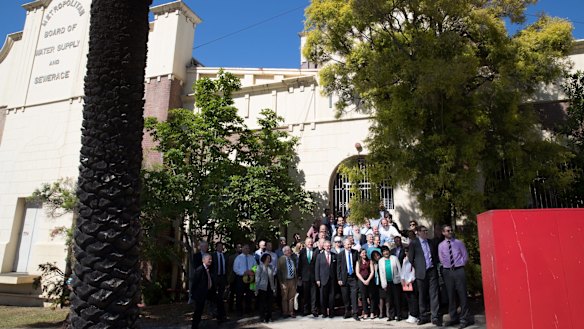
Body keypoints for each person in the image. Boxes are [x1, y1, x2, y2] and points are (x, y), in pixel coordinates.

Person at [438, 225, 474, 329]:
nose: (450, 232)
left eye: (451, 230)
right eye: (447, 231)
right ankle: (453, 317)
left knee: (462, 294)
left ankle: (464, 318)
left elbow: (465, 256)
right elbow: (441, 258)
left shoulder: (459, 243)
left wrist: (459, 264)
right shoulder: (441, 245)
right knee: (451, 295)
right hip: (448, 271)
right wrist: (448, 267)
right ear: (443, 233)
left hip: (459, 270)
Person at [408, 225, 441, 326]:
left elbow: (435, 256)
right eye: (423, 231)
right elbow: (410, 259)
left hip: (431, 271)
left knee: (434, 294)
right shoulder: (414, 243)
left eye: (426, 231)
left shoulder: (431, 242)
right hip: (421, 273)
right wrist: (418, 267)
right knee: (422, 295)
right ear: (418, 232)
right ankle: (423, 316)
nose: (426, 233)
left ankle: (435, 317)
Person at [190, 253, 217, 329]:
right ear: (203, 260)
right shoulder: (200, 270)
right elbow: (195, 283)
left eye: (211, 259)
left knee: (218, 301)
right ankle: (194, 326)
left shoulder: (209, 269)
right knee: (198, 311)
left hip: (209, 292)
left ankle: (220, 319)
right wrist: (193, 295)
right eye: (209, 259)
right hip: (200, 294)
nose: (211, 261)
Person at [337, 238, 360, 321]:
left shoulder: (355, 252)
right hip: (344, 277)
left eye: (350, 244)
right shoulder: (340, 254)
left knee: (354, 296)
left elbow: (358, 264)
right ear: (344, 245)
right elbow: (338, 267)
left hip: (353, 277)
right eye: (347, 244)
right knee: (345, 296)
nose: (349, 246)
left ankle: (355, 313)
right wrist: (339, 278)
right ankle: (347, 311)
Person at [379, 245, 403, 321]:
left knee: (397, 299)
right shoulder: (381, 261)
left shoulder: (394, 258)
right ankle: (391, 316)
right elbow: (381, 273)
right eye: (384, 251)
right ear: (382, 253)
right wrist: (383, 284)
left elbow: (399, 269)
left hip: (396, 282)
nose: (386, 252)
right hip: (387, 283)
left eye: (387, 251)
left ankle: (399, 315)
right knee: (390, 300)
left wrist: (402, 279)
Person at [233, 244, 256, 315]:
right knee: (239, 295)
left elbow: (255, 266)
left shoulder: (252, 257)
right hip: (241, 278)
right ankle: (239, 310)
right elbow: (235, 269)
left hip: (250, 277)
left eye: (248, 248)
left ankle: (248, 309)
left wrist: (252, 271)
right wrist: (243, 272)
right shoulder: (238, 258)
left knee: (249, 294)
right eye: (245, 248)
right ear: (242, 249)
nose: (247, 250)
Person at [298, 237, 318, 317]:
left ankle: (313, 310)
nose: (310, 243)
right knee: (305, 294)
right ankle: (306, 310)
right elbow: (300, 264)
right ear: (305, 243)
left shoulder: (316, 251)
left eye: (311, 242)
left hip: (313, 276)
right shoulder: (302, 252)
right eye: (309, 242)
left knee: (314, 295)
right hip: (305, 276)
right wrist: (299, 275)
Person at [315, 240, 335, 318]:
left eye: (329, 246)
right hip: (323, 279)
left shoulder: (334, 255)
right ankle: (324, 313)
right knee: (323, 297)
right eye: (327, 246)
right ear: (323, 246)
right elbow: (317, 268)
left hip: (332, 279)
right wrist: (317, 279)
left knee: (331, 297)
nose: (328, 247)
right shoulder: (319, 256)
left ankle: (331, 313)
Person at [277, 246, 298, 318]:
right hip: (285, 281)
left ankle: (291, 312)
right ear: (284, 251)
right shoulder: (281, 259)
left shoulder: (292, 259)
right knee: (284, 297)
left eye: (290, 250)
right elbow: (279, 271)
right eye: (288, 250)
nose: (290, 251)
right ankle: (285, 312)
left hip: (292, 280)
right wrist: (281, 282)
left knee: (291, 297)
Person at [255, 253, 276, 323]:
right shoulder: (259, 267)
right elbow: (257, 278)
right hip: (262, 287)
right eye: (267, 258)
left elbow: (272, 278)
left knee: (270, 303)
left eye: (269, 258)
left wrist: (273, 288)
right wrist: (256, 289)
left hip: (270, 287)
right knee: (262, 304)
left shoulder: (271, 267)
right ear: (264, 259)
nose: (269, 259)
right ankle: (262, 317)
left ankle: (269, 317)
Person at [401, 247, 419, 324]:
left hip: (412, 281)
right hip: (405, 282)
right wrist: (402, 279)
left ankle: (414, 315)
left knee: (413, 299)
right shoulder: (404, 260)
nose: (406, 253)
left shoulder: (414, 260)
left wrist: (410, 280)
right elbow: (403, 270)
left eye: (408, 251)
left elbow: (414, 271)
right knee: (408, 299)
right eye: (405, 251)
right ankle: (411, 314)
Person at [356, 248, 374, 319]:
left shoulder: (370, 261)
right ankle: (366, 312)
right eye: (363, 253)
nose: (364, 254)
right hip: (361, 280)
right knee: (363, 297)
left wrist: (368, 280)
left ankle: (372, 312)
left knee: (371, 296)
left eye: (365, 253)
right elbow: (357, 272)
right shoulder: (358, 262)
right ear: (360, 254)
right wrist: (363, 281)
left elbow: (372, 271)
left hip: (370, 280)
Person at [211, 242, 227, 322]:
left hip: (222, 277)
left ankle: (221, 313)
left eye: (222, 246)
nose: (221, 248)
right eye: (219, 246)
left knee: (221, 296)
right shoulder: (213, 255)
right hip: (215, 277)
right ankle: (214, 312)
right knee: (214, 295)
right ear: (216, 247)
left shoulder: (224, 256)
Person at [227, 243, 242, 312]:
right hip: (233, 277)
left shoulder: (244, 257)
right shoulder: (231, 257)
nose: (240, 249)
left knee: (239, 293)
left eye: (240, 247)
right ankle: (230, 308)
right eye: (238, 247)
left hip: (241, 277)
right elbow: (229, 268)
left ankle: (238, 307)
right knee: (232, 293)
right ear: (235, 249)